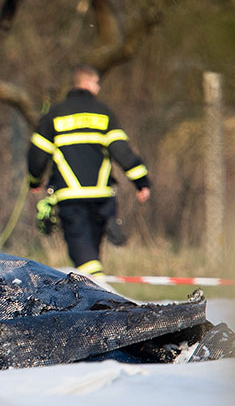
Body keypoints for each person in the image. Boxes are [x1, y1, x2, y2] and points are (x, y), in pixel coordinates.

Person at [27, 64, 150, 277]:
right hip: (102, 198)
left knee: (83, 256)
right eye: (96, 82)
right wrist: (142, 182)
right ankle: (99, 286)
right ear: (86, 83)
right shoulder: (104, 114)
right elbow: (122, 151)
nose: (99, 87)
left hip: (71, 197)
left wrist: (35, 180)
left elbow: (37, 155)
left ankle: (100, 289)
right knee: (92, 252)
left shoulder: (55, 114)